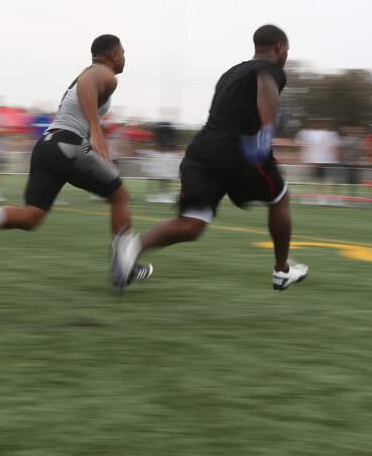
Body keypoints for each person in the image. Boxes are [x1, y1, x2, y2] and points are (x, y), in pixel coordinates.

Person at [110, 24, 308, 292]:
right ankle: (282, 270)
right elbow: (266, 84)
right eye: (287, 51)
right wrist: (267, 128)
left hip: (200, 153)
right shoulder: (271, 69)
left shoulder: (230, 73)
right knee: (279, 197)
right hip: (238, 150)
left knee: (191, 224)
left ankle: (132, 247)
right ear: (280, 48)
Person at [0, 35, 149, 282]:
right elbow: (87, 85)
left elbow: (81, 98)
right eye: (124, 53)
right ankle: (124, 265)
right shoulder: (104, 73)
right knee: (120, 195)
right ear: (114, 55)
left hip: (47, 146)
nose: (125, 58)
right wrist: (95, 130)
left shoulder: (90, 72)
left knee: (31, 216)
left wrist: (97, 128)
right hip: (67, 145)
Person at [296, 118, 340, 205]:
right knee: (318, 180)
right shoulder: (306, 133)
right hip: (315, 161)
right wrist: (305, 159)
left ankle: (333, 198)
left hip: (328, 161)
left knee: (334, 180)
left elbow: (335, 148)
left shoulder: (332, 134)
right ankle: (320, 198)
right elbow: (300, 146)